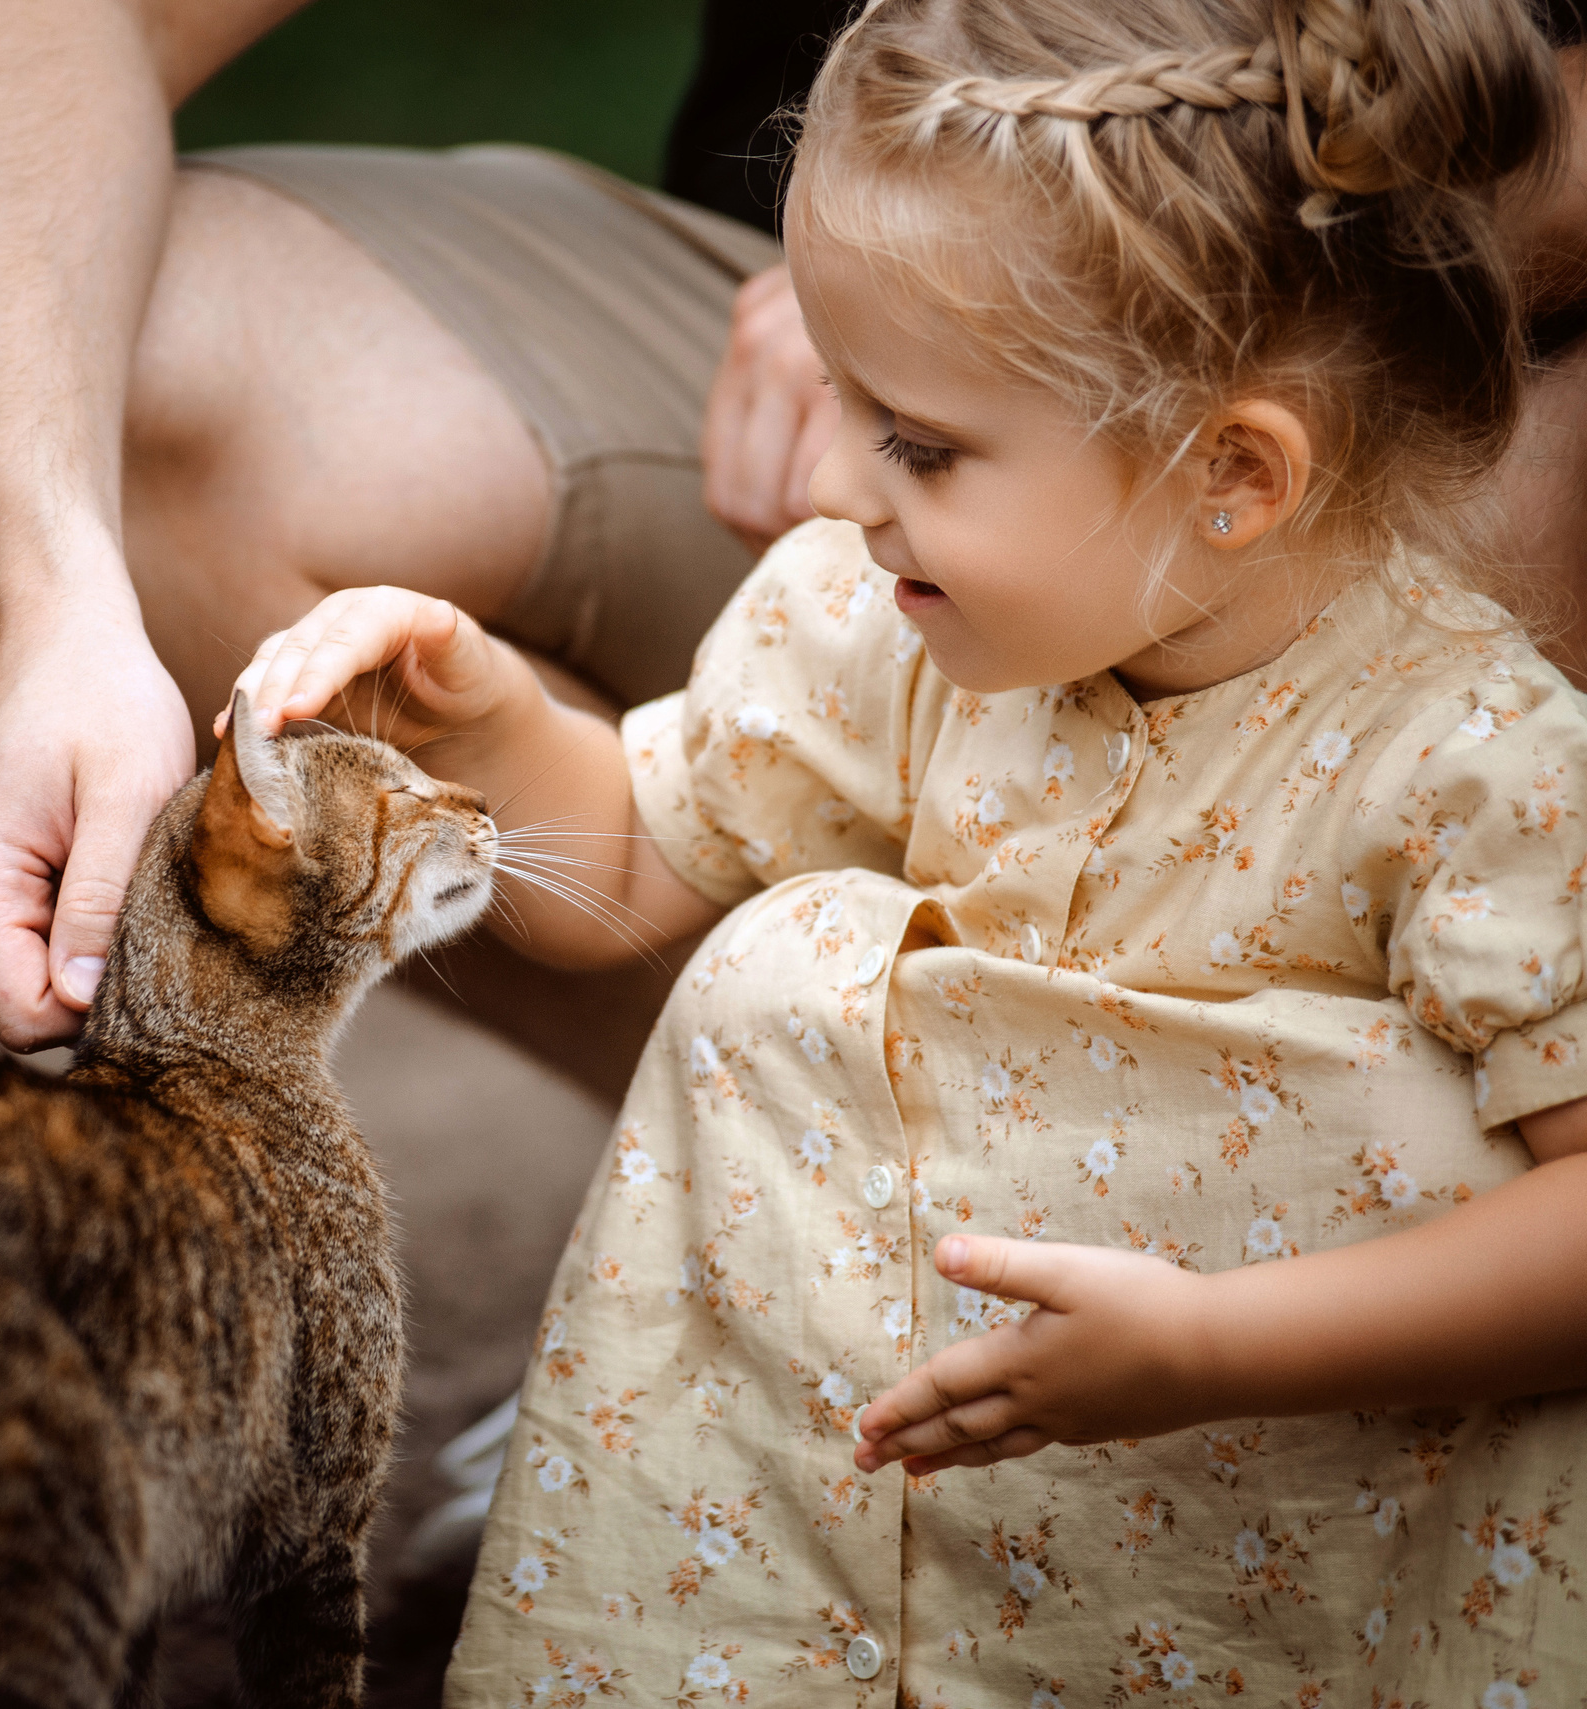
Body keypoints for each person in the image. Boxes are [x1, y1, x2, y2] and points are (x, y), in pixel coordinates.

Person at [221, 0, 1587, 1698]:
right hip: (947, 1544)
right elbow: (640, 860)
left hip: (1304, 1577)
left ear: (1230, 470)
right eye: (852, 397)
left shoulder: (1471, 762)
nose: (849, 486)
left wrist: (1210, 1346)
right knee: (775, 962)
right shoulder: (893, 620)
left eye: (921, 444)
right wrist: (485, 717)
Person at [0, 0, 1587, 1096]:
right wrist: (68, 608)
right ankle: (799, 1235)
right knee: (53, 364)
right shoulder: (852, 604)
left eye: (887, 438)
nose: (827, 489)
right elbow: (643, 830)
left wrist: (1026, 293)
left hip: (1426, 357)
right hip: (947, 353)